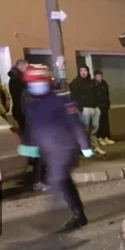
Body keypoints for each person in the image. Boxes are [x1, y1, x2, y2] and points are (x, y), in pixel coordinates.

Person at [19, 65, 93, 230]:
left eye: (37, 82)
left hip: (64, 149)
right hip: (49, 151)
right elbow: (32, 126)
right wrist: (29, 145)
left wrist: (84, 145)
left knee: (57, 180)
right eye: (32, 83)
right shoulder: (33, 103)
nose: (35, 86)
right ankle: (79, 214)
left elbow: (74, 124)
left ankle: (52, 219)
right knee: (64, 182)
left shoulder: (61, 100)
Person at [69, 66, 105, 155]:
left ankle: (95, 147)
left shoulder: (91, 82)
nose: (83, 72)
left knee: (94, 128)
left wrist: (98, 106)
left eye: (85, 70)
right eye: (81, 70)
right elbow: (73, 97)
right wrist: (80, 108)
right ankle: (84, 148)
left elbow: (97, 94)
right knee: (85, 129)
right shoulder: (76, 82)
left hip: (95, 108)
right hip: (84, 109)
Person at [93, 70, 114, 146]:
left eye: (100, 76)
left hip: (105, 106)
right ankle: (100, 137)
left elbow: (106, 94)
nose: (99, 78)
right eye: (98, 76)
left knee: (105, 122)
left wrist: (108, 104)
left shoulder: (104, 84)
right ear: (95, 77)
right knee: (99, 122)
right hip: (98, 106)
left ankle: (106, 137)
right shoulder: (93, 84)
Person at [8, 59, 27, 135]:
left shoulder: (15, 79)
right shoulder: (17, 80)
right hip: (22, 111)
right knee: (25, 133)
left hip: (20, 111)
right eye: (26, 67)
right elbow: (20, 97)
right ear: (21, 67)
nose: (26, 70)